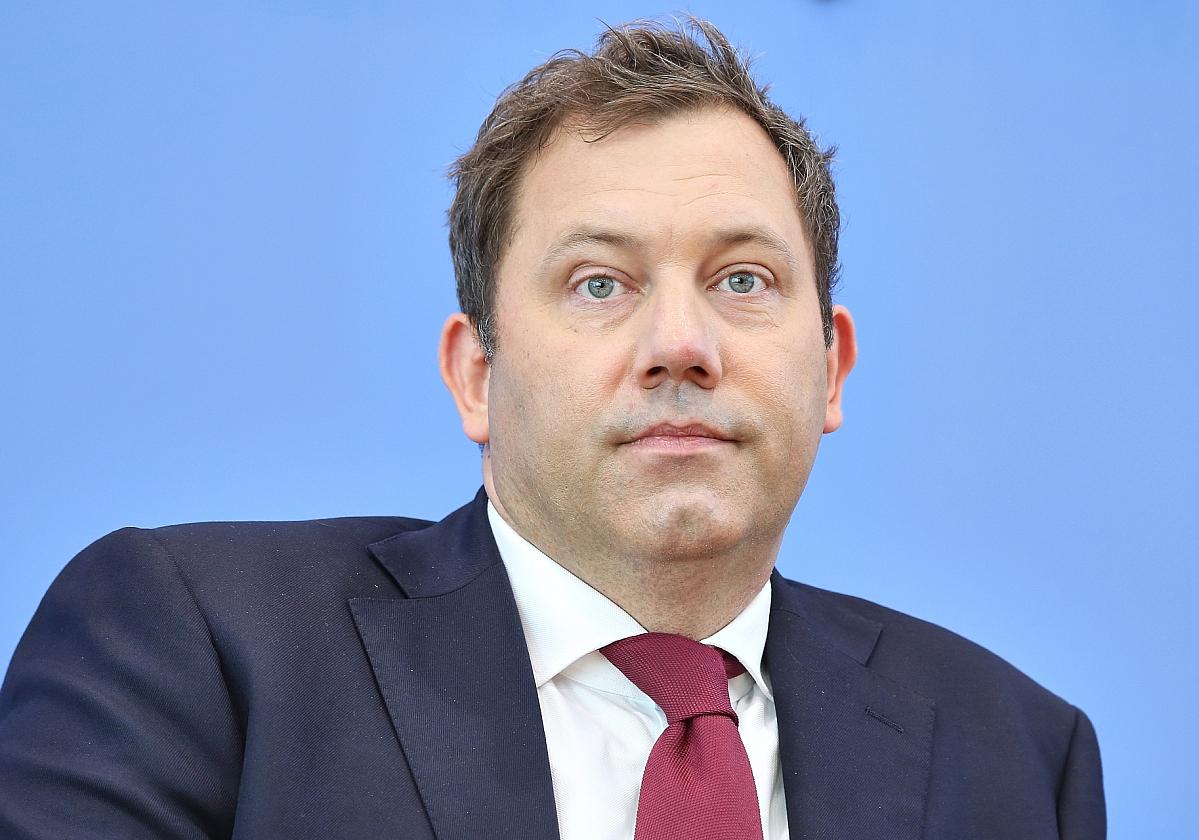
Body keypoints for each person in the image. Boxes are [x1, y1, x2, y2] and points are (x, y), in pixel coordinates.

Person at [0, 17, 1104, 840]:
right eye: (598, 284)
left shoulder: (1017, 755)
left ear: (832, 369)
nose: (682, 344)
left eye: (743, 278)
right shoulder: (202, 645)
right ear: (476, 375)